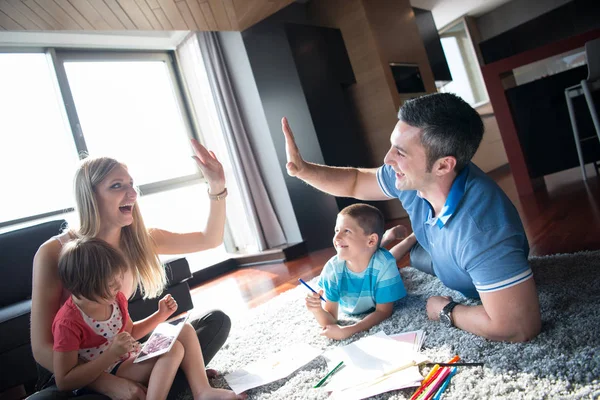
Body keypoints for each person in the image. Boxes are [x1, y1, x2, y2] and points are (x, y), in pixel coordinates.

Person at [283, 92, 541, 343]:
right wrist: (304, 171)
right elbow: (355, 181)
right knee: (416, 256)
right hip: (435, 253)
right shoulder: (412, 178)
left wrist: (446, 309)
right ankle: (399, 243)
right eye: (392, 146)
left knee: (427, 259)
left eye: (400, 152)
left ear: (443, 165)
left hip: (469, 266)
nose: (387, 159)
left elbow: (518, 327)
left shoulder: (483, 232)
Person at [31, 139, 241, 399]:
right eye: (117, 186)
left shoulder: (140, 238)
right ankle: (175, 382)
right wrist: (108, 383)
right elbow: (41, 348)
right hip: (80, 374)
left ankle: (177, 382)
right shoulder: (54, 252)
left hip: (124, 357)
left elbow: (210, 239)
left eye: (131, 185)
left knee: (213, 323)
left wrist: (216, 186)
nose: (132, 194)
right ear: (91, 195)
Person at [53, 238, 182, 398]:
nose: (118, 288)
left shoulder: (116, 300)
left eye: (118, 280)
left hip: (128, 359)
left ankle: (201, 388)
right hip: (109, 372)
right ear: (85, 286)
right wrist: (111, 354)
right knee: (174, 348)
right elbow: (64, 381)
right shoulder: (68, 323)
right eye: (111, 285)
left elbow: (131, 332)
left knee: (184, 331)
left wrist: (161, 315)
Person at [305, 203, 406, 340]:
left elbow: (383, 311)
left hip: (377, 257)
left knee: (390, 257)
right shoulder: (333, 269)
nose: (337, 238)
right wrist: (317, 310)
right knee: (369, 251)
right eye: (336, 230)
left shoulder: (385, 264)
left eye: (346, 231)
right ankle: (387, 237)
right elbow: (331, 321)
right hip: (369, 249)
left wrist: (350, 330)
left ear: (371, 239)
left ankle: (411, 238)